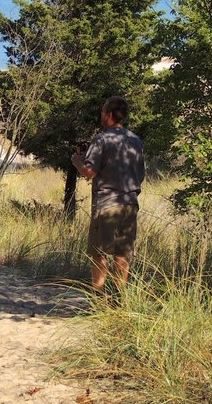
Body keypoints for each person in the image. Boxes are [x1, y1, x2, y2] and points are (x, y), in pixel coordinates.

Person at [70, 96, 145, 294]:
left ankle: (99, 297)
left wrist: (77, 160)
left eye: (103, 111)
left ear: (109, 115)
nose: (101, 115)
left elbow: (89, 172)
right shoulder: (136, 141)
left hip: (107, 204)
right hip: (130, 204)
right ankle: (119, 297)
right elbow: (141, 174)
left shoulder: (102, 139)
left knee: (99, 252)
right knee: (123, 254)